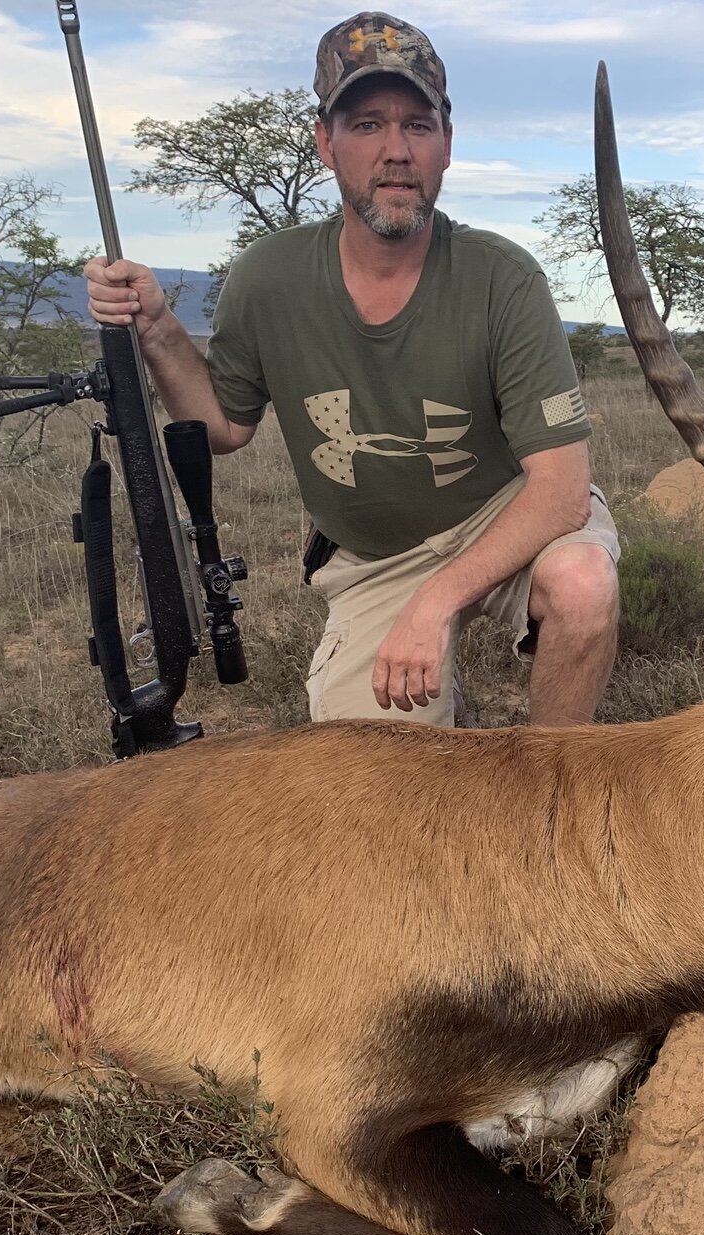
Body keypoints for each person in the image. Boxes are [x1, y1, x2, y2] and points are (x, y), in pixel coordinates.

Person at [84, 12, 618, 727]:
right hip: (376, 557)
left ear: (447, 145)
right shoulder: (268, 276)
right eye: (367, 124)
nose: (396, 151)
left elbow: (560, 495)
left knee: (582, 583)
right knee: (367, 775)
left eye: (418, 126)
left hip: (503, 514)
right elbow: (220, 426)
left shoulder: (504, 277)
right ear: (325, 143)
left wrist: (435, 601)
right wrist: (158, 329)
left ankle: (557, 797)